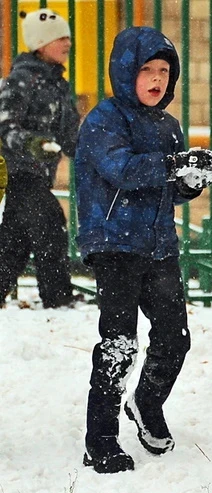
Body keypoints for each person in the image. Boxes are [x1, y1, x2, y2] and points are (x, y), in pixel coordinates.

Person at [75, 26, 212, 474]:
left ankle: (147, 402)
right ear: (125, 73)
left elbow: (168, 190)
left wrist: (190, 181)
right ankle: (100, 439)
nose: (157, 79)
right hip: (114, 244)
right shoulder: (104, 119)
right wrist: (173, 165)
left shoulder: (169, 125)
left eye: (164, 71)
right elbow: (122, 169)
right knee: (119, 343)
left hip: (158, 246)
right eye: (147, 70)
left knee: (174, 337)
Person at [0, 9, 80, 308]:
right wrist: (31, 143)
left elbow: (69, 133)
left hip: (40, 173)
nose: (67, 43)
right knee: (50, 224)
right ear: (40, 43)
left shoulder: (58, 84)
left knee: (14, 243)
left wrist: (85, 152)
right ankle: (58, 298)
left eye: (68, 37)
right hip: (20, 171)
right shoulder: (21, 80)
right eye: (60, 37)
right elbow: (5, 126)